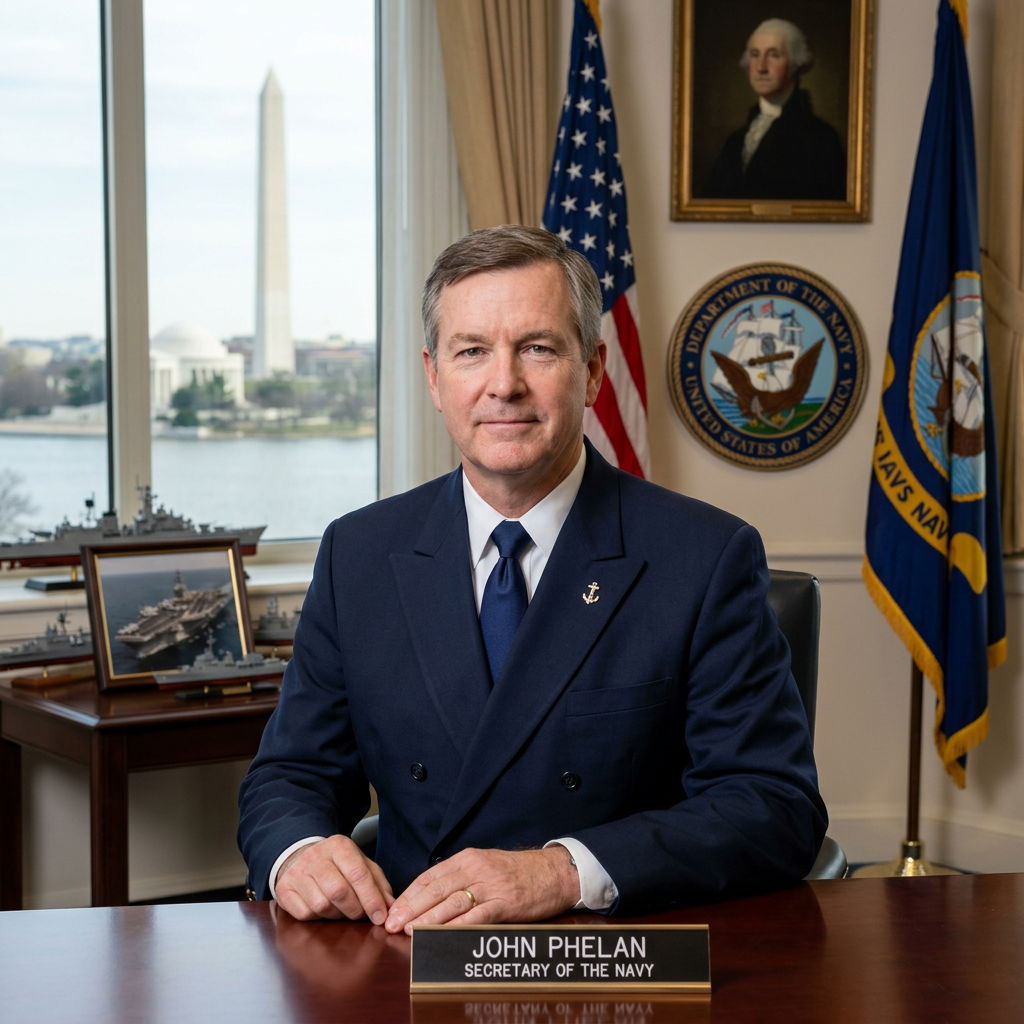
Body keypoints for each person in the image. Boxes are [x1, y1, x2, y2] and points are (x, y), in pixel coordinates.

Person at [237, 225, 827, 932]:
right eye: (472, 352)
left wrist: (563, 870)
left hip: (617, 957)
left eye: (538, 349)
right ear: (434, 376)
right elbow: (290, 776)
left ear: (595, 369)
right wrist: (298, 853)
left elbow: (772, 803)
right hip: (410, 956)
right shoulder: (357, 554)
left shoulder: (704, 557)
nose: (504, 384)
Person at [704, 18, 846, 201]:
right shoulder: (735, 141)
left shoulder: (820, 138)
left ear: (796, 63)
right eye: (755, 55)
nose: (761, 67)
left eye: (773, 55)